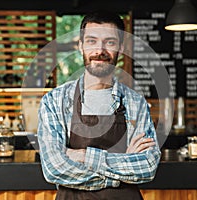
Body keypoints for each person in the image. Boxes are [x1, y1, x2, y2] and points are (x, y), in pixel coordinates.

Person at [37, 11, 161, 200]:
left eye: (109, 42)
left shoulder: (135, 103)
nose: (100, 51)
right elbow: (55, 169)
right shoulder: (54, 101)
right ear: (81, 46)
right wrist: (122, 169)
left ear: (120, 47)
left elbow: (147, 166)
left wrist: (85, 156)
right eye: (92, 41)